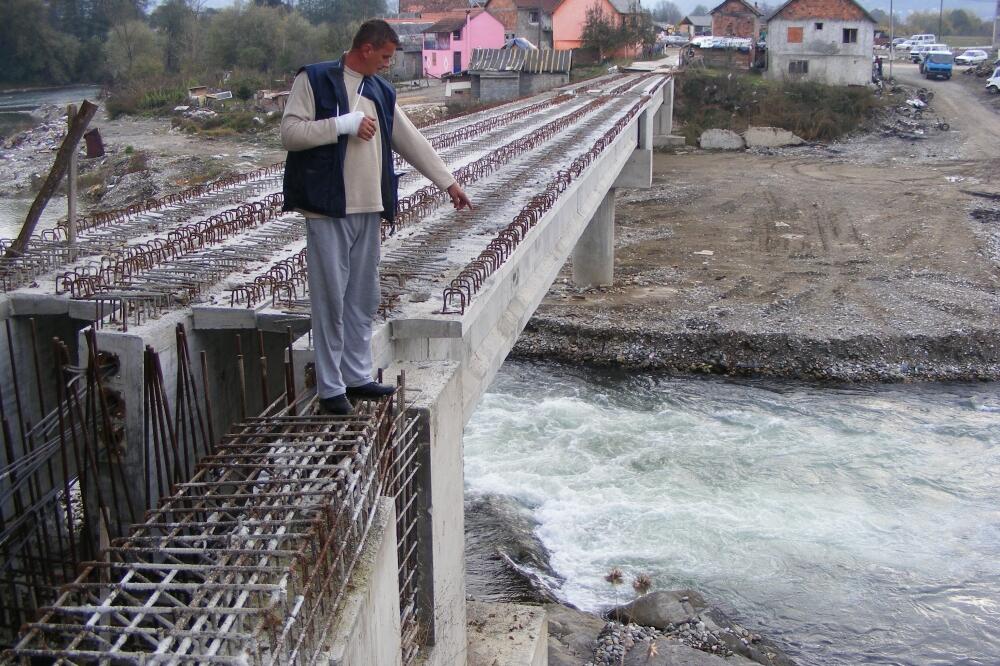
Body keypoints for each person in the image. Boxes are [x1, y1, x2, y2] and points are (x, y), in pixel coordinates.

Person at [280, 19, 473, 415]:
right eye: (385, 56)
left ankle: (356, 376)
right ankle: (331, 388)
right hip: (327, 207)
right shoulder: (315, 80)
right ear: (366, 49)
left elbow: (410, 141)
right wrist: (342, 125)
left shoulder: (380, 91)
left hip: (369, 208)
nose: (389, 64)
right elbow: (290, 134)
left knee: (361, 299)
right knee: (330, 301)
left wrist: (447, 182)